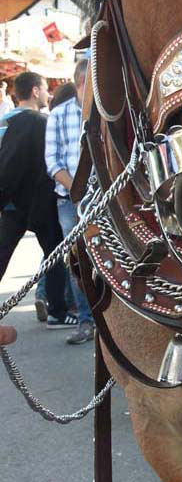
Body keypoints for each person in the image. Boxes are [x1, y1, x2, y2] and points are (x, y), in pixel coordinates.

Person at [0, 71, 75, 327]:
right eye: (44, 89)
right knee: (54, 254)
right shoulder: (36, 122)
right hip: (35, 203)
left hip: (11, 204)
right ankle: (57, 310)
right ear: (34, 91)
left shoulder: (5, 121)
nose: (47, 94)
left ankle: (56, 308)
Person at [45, 60, 95, 344]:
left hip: (102, 201)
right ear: (79, 83)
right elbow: (52, 162)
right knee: (77, 262)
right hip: (70, 201)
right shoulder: (58, 116)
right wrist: (78, 191)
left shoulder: (101, 113)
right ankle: (86, 321)